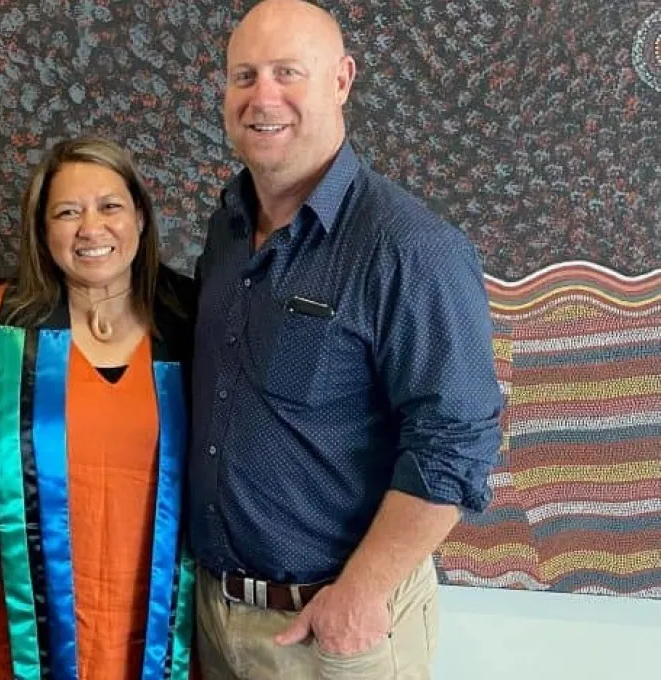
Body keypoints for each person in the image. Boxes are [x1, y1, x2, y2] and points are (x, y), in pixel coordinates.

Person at [188, 1, 504, 678]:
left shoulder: (410, 248)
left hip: (334, 633)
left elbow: (457, 444)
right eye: (244, 76)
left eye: (287, 73)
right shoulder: (227, 229)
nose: (261, 96)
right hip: (213, 622)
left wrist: (358, 596)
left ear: (341, 80)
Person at [0, 137, 197, 680]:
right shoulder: (0, 329)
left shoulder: (191, 323)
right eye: (67, 212)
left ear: (139, 215)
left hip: (165, 630)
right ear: (44, 232)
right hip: (33, 634)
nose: (91, 228)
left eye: (110, 206)